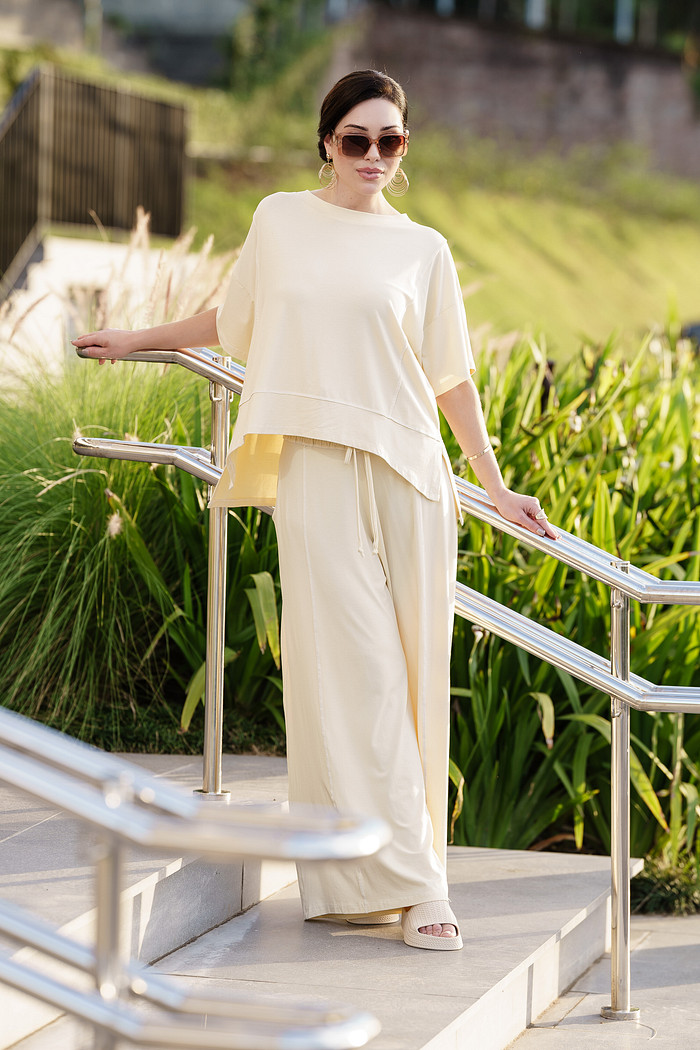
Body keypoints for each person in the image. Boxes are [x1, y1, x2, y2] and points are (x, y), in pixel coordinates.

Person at [73, 69, 557, 952]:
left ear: (404, 150)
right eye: (359, 139)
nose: (375, 156)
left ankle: (408, 881)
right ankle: (412, 884)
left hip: (412, 473)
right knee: (358, 679)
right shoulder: (280, 220)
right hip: (314, 469)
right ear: (327, 142)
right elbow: (235, 316)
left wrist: (491, 486)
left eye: (393, 141)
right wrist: (137, 339)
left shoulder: (425, 251)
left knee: (412, 684)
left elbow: (451, 379)